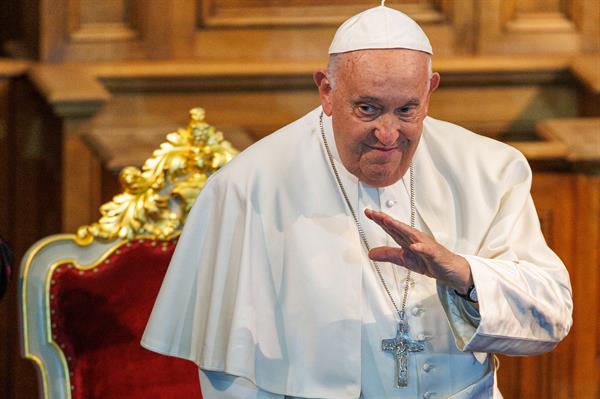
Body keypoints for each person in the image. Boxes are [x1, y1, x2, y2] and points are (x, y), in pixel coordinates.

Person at [142, 4, 573, 398]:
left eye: (407, 110)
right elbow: (228, 372)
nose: (388, 134)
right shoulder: (247, 188)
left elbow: (551, 319)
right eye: (367, 109)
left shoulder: (490, 169)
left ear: (430, 90)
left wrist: (465, 275)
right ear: (326, 90)